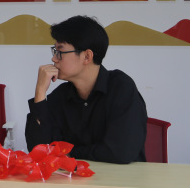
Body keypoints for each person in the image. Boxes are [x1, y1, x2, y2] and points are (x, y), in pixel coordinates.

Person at [25, 15, 147, 163]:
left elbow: (120, 152)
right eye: (54, 51)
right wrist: (40, 93)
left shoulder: (121, 87)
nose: (54, 59)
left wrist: (70, 153)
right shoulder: (61, 96)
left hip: (123, 177)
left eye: (60, 52)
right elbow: (39, 151)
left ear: (87, 56)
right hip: (75, 177)